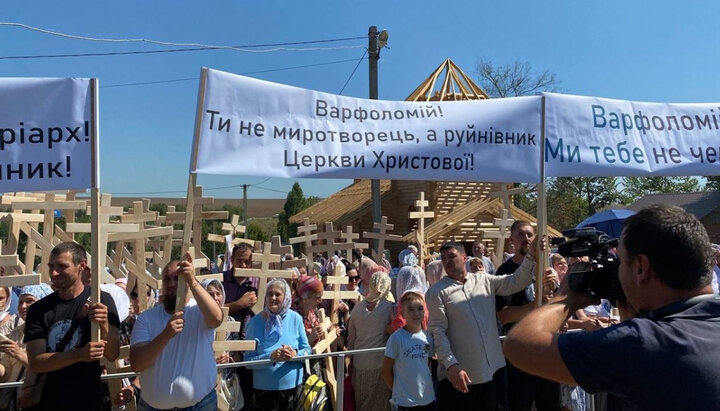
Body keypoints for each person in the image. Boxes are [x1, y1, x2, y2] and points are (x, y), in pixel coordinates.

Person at [504, 204, 720, 410]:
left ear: (641, 267)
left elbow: (520, 345)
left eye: (621, 262)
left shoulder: (643, 343)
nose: (617, 271)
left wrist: (566, 298)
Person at [426, 239, 541, 410]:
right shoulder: (437, 292)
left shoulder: (484, 280)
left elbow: (517, 281)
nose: (447, 261)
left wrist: (531, 255)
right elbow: (437, 332)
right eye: (443, 258)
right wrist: (451, 365)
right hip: (462, 374)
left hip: (494, 369)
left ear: (465, 258)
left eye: (452, 256)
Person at [24, 242, 121, 410]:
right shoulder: (39, 310)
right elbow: (36, 362)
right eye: (51, 266)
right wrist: (79, 355)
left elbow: (113, 354)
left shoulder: (101, 300)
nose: (54, 273)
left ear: (81, 265)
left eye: (62, 266)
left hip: (90, 401)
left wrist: (104, 324)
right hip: (49, 402)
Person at [130, 257, 223, 410]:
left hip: (200, 405)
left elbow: (217, 319)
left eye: (178, 278)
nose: (172, 284)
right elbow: (138, 364)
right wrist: (166, 335)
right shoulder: (147, 318)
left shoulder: (199, 311)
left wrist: (192, 280)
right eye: (167, 279)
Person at [495, 221, 560, 411]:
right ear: (512, 240)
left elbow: (559, 307)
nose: (527, 239)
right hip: (520, 353)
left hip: (547, 350)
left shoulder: (547, 269)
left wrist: (555, 289)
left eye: (530, 235)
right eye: (521, 235)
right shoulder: (505, 273)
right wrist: (535, 306)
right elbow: (504, 316)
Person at [244, 278, 310, 410]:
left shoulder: (295, 318)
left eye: (277, 294)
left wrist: (295, 354)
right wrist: (270, 357)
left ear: (286, 297)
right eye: (269, 294)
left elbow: (308, 350)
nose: (273, 298)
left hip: (293, 389)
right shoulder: (254, 323)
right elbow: (247, 362)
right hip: (264, 392)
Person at [0, 284, 54, 410]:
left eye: (30, 301)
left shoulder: (53, 332)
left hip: (42, 399)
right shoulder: (15, 333)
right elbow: (6, 372)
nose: (23, 306)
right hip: (15, 401)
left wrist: (18, 353)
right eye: (20, 302)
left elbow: (49, 369)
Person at [347, 271, 394, 411]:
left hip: (360, 364)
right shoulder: (390, 307)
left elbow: (351, 339)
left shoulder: (357, 308)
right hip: (381, 366)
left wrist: (351, 360)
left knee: (362, 405)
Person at [382, 291, 436, 411]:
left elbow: (426, 364)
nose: (416, 313)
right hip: (405, 401)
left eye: (420, 309)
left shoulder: (428, 338)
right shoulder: (396, 338)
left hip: (427, 398)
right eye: (411, 310)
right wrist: (398, 391)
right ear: (403, 313)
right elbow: (386, 370)